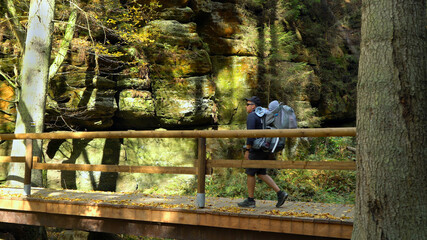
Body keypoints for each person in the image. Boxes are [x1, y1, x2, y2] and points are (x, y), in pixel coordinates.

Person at [238, 96, 288, 208]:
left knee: (250, 173)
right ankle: (280, 193)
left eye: (248, 104)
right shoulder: (265, 114)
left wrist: (247, 150)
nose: (246, 106)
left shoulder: (252, 116)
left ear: (253, 106)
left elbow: (250, 135)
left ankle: (250, 200)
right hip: (265, 147)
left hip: (256, 148)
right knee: (261, 173)